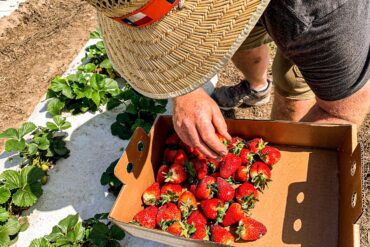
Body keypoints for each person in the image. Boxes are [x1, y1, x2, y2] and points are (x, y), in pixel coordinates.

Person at [86, 0, 370, 160]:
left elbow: (342, 114)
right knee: (243, 39)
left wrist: (280, 169)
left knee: (293, 84)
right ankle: (257, 87)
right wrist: (186, 92)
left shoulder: (323, 16)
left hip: (310, 20)